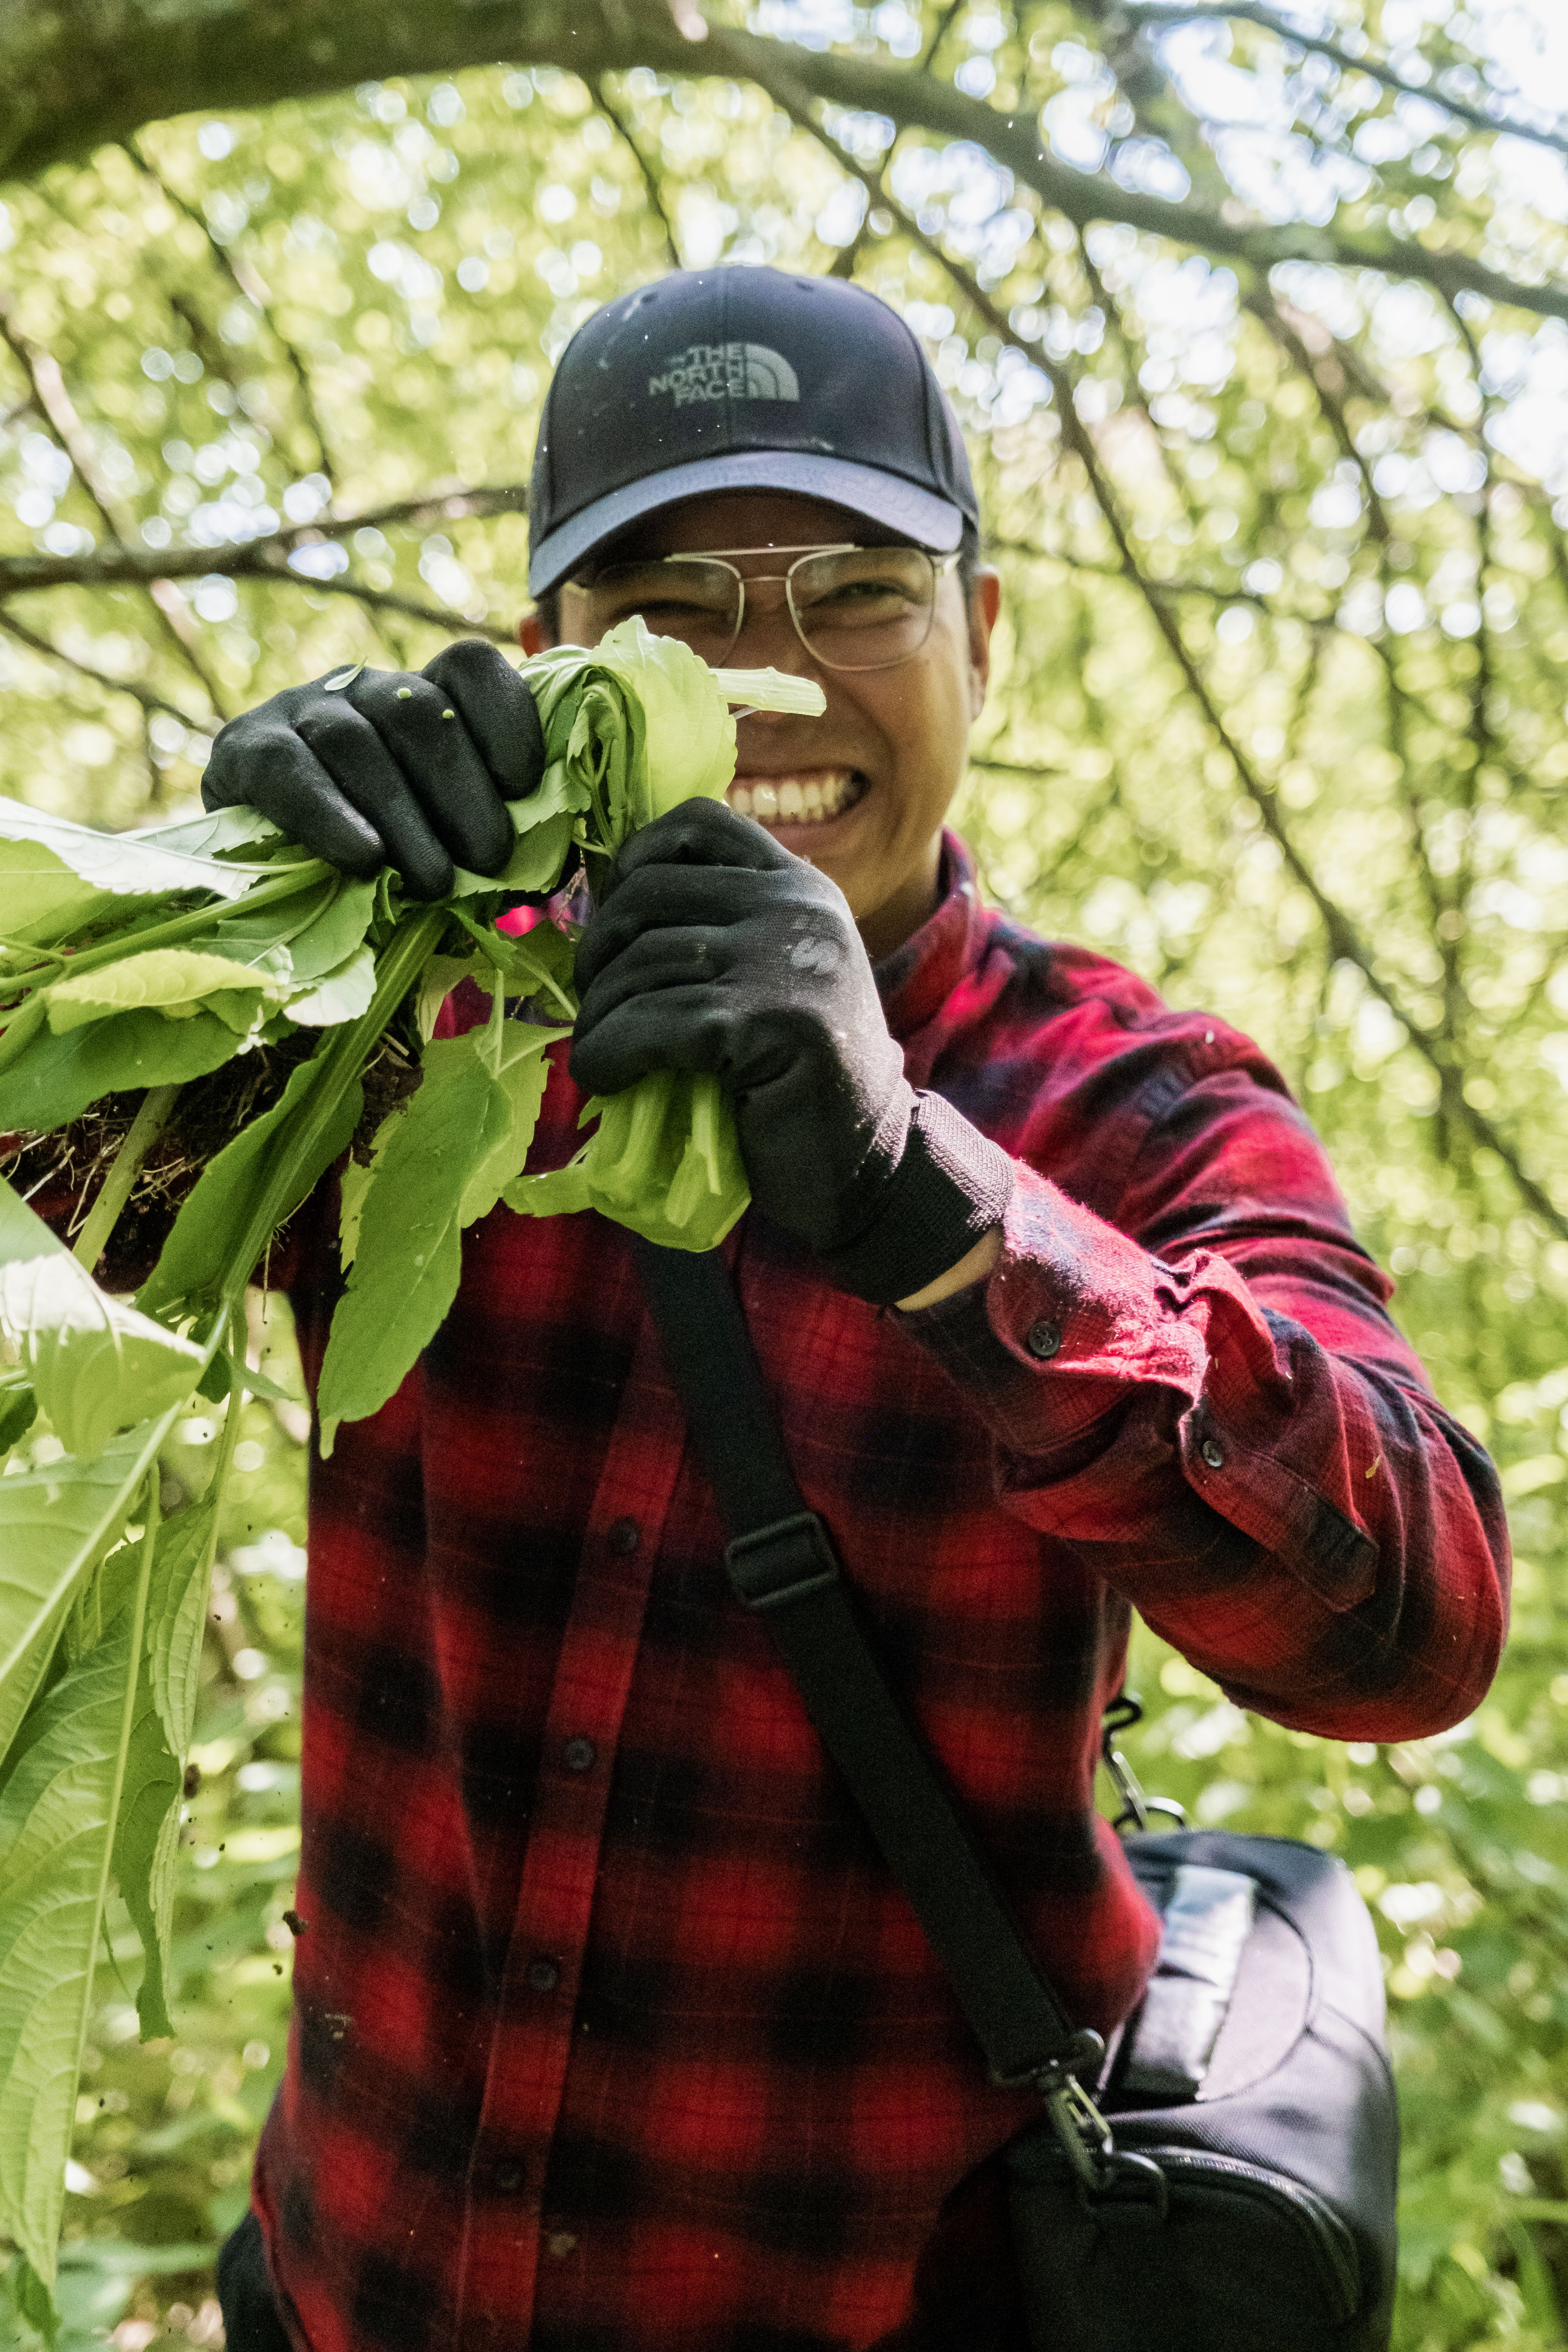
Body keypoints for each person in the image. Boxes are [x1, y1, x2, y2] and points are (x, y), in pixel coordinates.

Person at [197, 266, 1508, 2352]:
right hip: (357, 2288)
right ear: (548, 660)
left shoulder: (1128, 1101)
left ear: (982, 636)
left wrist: (933, 1206)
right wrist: (193, 926)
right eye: (673, 600)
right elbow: (55, 1248)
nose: (770, 686)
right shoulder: (399, 1026)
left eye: (853, 592)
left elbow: (1413, 1622)